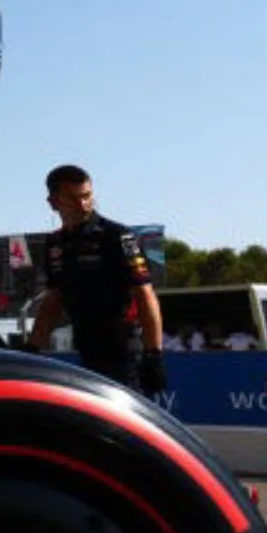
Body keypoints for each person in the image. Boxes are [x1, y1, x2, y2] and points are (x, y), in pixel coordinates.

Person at [25, 164, 167, 395]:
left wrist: (154, 354)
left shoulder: (118, 236)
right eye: (73, 199)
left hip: (124, 350)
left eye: (87, 196)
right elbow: (53, 301)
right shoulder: (54, 244)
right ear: (53, 203)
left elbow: (145, 294)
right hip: (87, 349)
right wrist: (32, 348)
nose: (83, 204)